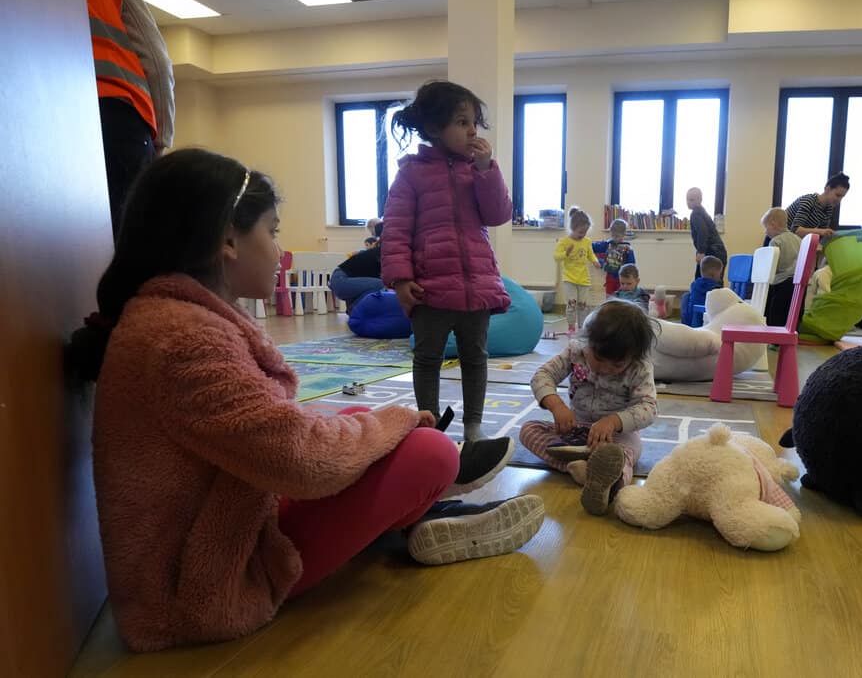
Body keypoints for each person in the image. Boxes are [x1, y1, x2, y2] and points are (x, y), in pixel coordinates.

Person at [66, 148, 545, 652]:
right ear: (228, 238)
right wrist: (397, 424)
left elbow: (272, 435)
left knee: (363, 419)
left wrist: (383, 424)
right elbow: (302, 459)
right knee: (429, 451)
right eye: (272, 232)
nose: (278, 251)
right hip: (205, 587)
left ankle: (422, 515)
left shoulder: (172, 318)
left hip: (216, 528)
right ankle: (426, 508)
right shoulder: (184, 341)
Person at [381, 80, 514, 445]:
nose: (472, 130)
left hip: (476, 286)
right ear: (434, 128)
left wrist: (488, 168)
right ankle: (430, 427)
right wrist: (400, 280)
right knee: (427, 358)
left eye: (474, 122)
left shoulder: (478, 169)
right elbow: (395, 229)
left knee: (476, 357)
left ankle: (473, 425)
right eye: (461, 122)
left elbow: (499, 213)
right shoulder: (411, 172)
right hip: (431, 287)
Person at [519, 300, 658, 516]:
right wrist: (556, 405)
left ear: (633, 357)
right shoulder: (576, 352)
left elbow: (648, 407)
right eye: (599, 359)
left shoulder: (639, 368)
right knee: (528, 429)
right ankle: (579, 468)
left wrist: (614, 421)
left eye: (617, 365)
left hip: (615, 438)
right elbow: (542, 375)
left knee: (625, 455)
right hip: (575, 430)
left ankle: (608, 484)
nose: (605, 369)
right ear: (588, 343)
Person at [88, 0, 175, 239]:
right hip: (120, 114)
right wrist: (161, 142)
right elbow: (157, 63)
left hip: (57, 114)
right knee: (130, 241)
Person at [555, 208, 602, 336]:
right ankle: (571, 327)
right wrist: (566, 253)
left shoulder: (586, 241)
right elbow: (556, 257)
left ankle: (582, 327)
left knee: (583, 305)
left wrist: (595, 261)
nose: (583, 235)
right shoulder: (564, 241)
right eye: (580, 232)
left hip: (584, 279)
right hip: (569, 279)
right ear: (572, 228)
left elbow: (590, 254)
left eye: (585, 232)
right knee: (571, 304)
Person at [762, 207, 803, 326]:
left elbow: (773, 266)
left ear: (773, 224)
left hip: (781, 282)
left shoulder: (775, 241)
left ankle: (774, 338)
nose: (765, 232)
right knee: (794, 312)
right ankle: (793, 333)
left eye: (766, 228)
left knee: (776, 312)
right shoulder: (799, 240)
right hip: (798, 282)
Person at [329, 227, 384, 310]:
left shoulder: (378, 252)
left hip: (341, 279)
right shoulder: (379, 254)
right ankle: (355, 308)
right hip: (341, 279)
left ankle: (354, 308)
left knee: (379, 285)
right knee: (381, 284)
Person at [785, 172, 850, 239]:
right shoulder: (808, 201)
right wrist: (821, 231)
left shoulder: (828, 209)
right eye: (837, 195)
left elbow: (821, 235)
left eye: (842, 197)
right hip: (783, 239)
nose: (839, 200)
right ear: (827, 189)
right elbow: (795, 230)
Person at [686, 187, 727, 280]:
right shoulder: (702, 212)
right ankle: (715, 294)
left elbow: (702, 232)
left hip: (713, 251)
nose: (689, 202)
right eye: (687, 199)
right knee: (715, 280)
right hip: (719, 251)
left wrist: (701, 252)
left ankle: (702, 294)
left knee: (701, 280)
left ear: (700, 200)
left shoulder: (696, 214)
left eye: (692, 200)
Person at [592, 218, 636, 296]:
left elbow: (632, 264)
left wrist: (630, 277)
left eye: (617, 236)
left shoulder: (627, 248)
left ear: (623, 234)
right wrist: (585, 243)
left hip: (623, 278)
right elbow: (595, 247)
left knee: (622, 297)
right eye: (613, 236)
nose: (615, 238)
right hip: (610, 277)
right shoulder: (608, 244)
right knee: (609, 296)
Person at [682, 255, 724, 327]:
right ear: (714, 275)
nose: (720, 276)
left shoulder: (694, 285)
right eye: (720, 274)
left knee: (686, 296)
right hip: (705, 323)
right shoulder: (715, 288)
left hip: (690, 321)